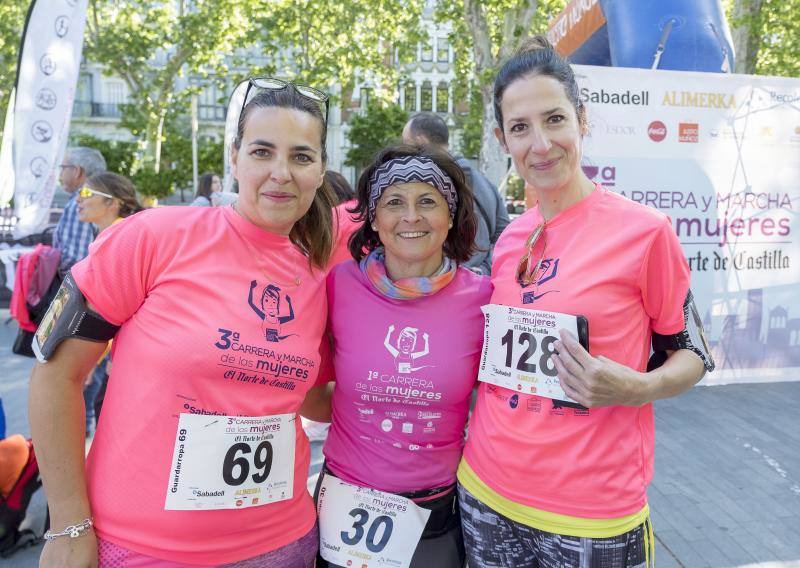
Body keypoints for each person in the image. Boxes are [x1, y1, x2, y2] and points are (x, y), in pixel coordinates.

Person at [29, 78, 337, 567]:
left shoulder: (323, 271)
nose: (281, 173)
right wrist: (68, 525)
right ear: (233, 157)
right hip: (144, 549)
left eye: (301, 157)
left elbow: (312, 401)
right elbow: (56, 376)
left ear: (321, 170)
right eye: (262, 152)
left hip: (282, 543)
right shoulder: (154, 237)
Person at [456, 36, 715, 568]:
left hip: (591, 517)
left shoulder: (645, 233)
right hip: (485, 493)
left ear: (582, 119)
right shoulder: (509, 239)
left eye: (554, 119)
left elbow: (695, 355)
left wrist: (636, 386)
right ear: (504, 138)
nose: (541, 144)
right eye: (521, 128)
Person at [308, 145, 491, 568]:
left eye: (428, 201)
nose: (411, 216)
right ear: (374, 218)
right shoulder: (340, 286)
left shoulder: (483, 298)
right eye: (394, 202)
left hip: (433, 515)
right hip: (343, 502)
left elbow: (494, 407)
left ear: (451, 216)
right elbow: (310, 390)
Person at [75, 172, 144, 435]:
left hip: (108, 351)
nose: (78, 201)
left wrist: (94, 359)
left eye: (86, 194)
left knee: (90, 412)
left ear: (111, 203)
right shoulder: (112, 235)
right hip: (108, 351)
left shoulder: (119, 239)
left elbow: (120, 310)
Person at [403, 113, 510, 275]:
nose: (403, 152)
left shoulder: (428, 183)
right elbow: (505, 236)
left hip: (443, 287)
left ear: (420, 141)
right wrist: (484, 270)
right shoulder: (485, 182)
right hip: (482, 285)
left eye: (406, 144)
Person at [54, 147, 107, 273]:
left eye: (63, 167)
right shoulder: (103, 199)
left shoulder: (80, 204)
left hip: (76, 286)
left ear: (77, 171)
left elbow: (74, 259)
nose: (60, 174)